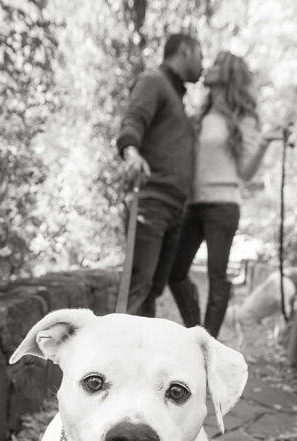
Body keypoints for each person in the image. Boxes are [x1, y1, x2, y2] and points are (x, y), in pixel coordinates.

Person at [163, 51, 284, 338]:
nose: (209, 68)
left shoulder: (243, 118)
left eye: (217, 64)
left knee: (217, 276)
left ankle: (207, 343)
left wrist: (265, 143)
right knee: (175, 272)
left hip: (223, 205)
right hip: (192, 204)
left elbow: (245, 171)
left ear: (227, 74)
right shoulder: (199, 116)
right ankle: (196, 332)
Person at [117, 33, 203, 317]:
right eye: (200, 55)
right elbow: (134, 118)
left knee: (152, 289)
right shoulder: (153, 81)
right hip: (150, 201)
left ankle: (140, 357)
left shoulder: (177, 100)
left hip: (174, 208)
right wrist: (131, 152)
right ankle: (119, 359)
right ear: (185, 50)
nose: (202, 64)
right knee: (137, 288)